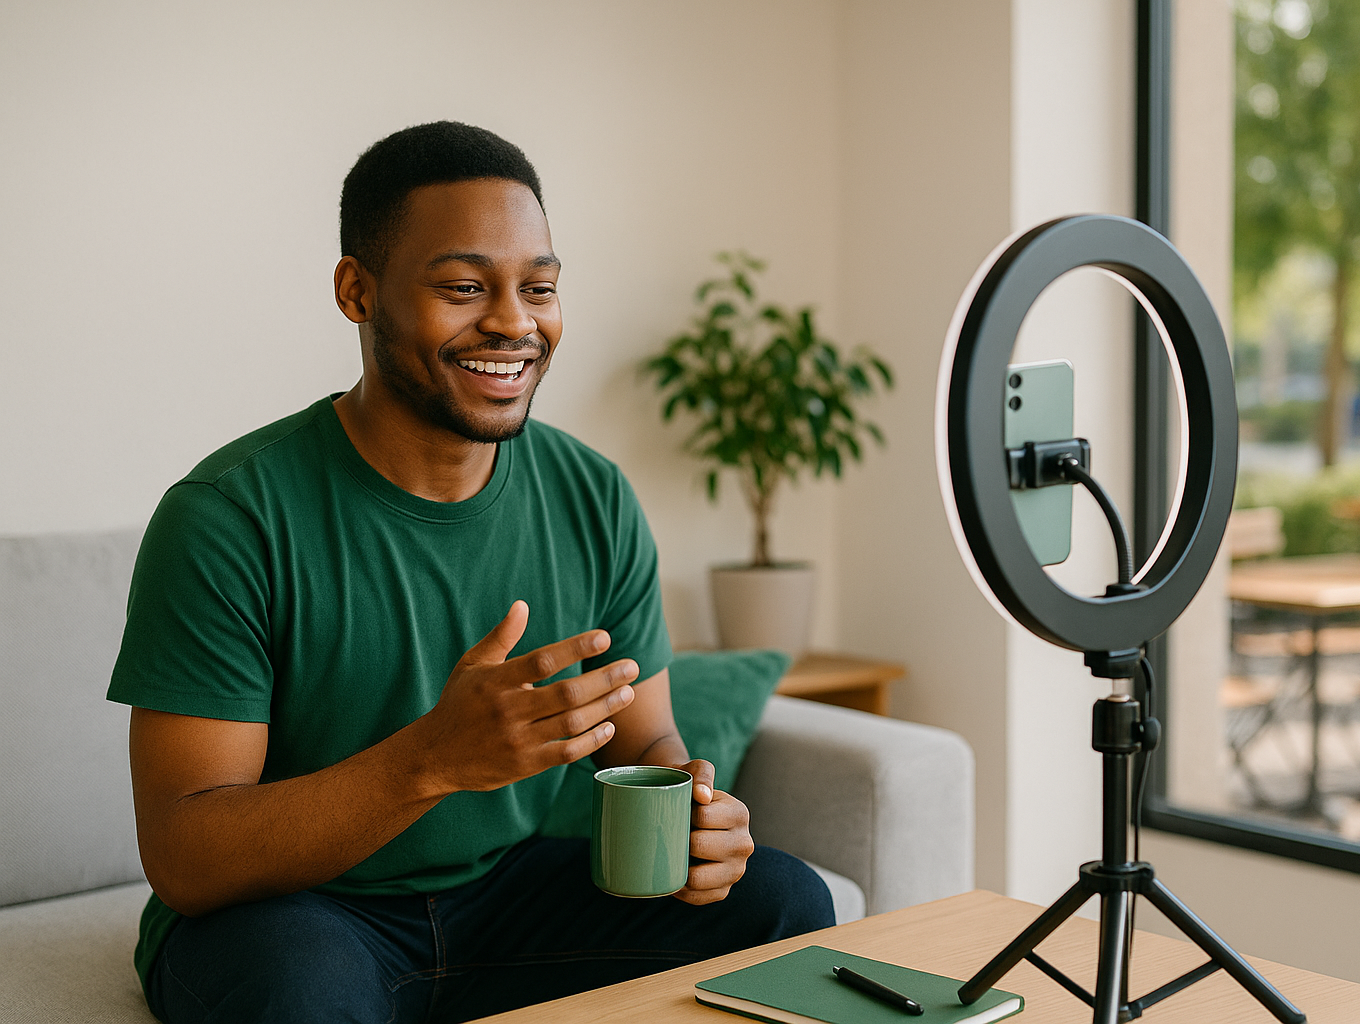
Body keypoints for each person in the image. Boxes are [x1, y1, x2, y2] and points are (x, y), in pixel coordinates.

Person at [107, 120, 834, 1024]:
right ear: (357, 291)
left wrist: (697, 816)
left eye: (539, 288)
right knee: (302, 992)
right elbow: (185, 851)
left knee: (787, 902)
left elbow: (648, 745)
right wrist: (432, 761)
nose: (513, 322)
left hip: (507, 899)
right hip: (298, 912)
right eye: (462, 287)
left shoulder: (594, 495)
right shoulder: (228, 517)